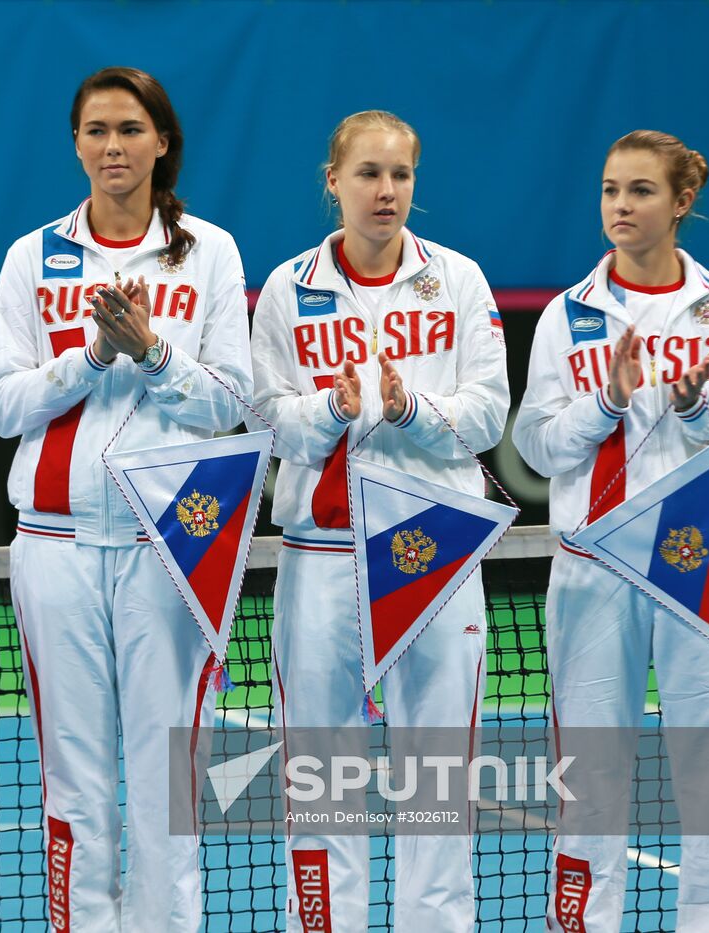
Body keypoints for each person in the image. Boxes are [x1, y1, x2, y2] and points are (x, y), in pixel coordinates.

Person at [0, 66, 252, 931]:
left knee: (171, 778)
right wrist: (93, 357)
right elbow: (1, 405)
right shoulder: (34, 255)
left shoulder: (209, 252)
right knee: (76, 777)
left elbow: (233, 404)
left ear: (162, 141)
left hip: (172, 547)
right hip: (54, 546)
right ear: (76, 144)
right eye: (96, 130)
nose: (113, 147)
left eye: (130, 130)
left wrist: (154, 351)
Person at [248, 110, 509, 931]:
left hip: (433, 551)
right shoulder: (287, 289)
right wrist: (333, 406)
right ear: (333, 181)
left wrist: (409, 408)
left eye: (400, 175)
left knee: (438, 787)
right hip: (320, 557)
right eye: (367, 173)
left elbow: (490, 415)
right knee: (321, 781)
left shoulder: (460, 280)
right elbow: (265, 422)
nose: (385, 190)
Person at [513, 130, 709, 932]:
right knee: (589, 774)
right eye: (609, 190)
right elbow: (535, 444)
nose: (619, 207)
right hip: (594, 567)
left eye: (639, 191)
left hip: (702, 563)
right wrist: (609, 400)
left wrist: (697, 407)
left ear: (681, 202)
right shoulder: (568, 315)